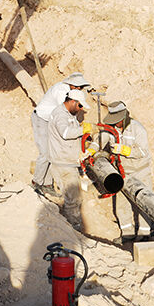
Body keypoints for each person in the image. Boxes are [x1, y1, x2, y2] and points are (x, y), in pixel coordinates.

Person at [100, 101, 154, 244]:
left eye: (116, 122)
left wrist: (125, 150)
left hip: (140, 171)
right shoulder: (112, 129)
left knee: (144, 201)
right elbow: (101, 140)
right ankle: (127, 233)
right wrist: (92, 148)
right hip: (123, 172)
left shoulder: (138, 129)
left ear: (123, 118)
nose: (114, 124)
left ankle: (144, 233)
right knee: (122, 203)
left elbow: (143, 152)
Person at [31, 73, 92, 197]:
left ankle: (47, 184)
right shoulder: (61, 91)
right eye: (79, 87)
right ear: (73, 85)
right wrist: (81, 130)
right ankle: (36, 182)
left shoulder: (70, 92)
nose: (80, 89)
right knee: (45, 153)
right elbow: (65, 113)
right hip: (42, 119)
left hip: (51, 121)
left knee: (52, 152)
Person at [46, 88, 89, 231]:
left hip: (68, 162)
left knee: (73, 198)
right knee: (73, 200)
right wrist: (84, 130)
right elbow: (65, 133)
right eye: (79, 106)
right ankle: (74, 231)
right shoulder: (60, 114)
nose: (80, 109)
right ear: (72, 102)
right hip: (62, 164)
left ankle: (71, 228)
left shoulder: (69, 114)